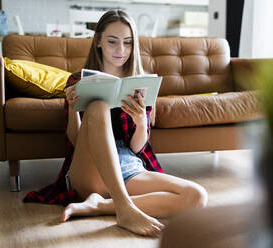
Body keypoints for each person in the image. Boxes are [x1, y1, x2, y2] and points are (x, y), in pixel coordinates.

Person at [23, 9, 208, 237]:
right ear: (98, 40)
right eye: (112, 41)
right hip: (89, 168)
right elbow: (75, 140)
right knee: (98, 105)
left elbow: (137, 148)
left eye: (128, 43)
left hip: (128, 165)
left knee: (197, 196)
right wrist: (72, 108)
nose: (121, 50)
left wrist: (141, 122)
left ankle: (102, 205)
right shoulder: (77, 81)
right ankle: (124, 207)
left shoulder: (141, 83)